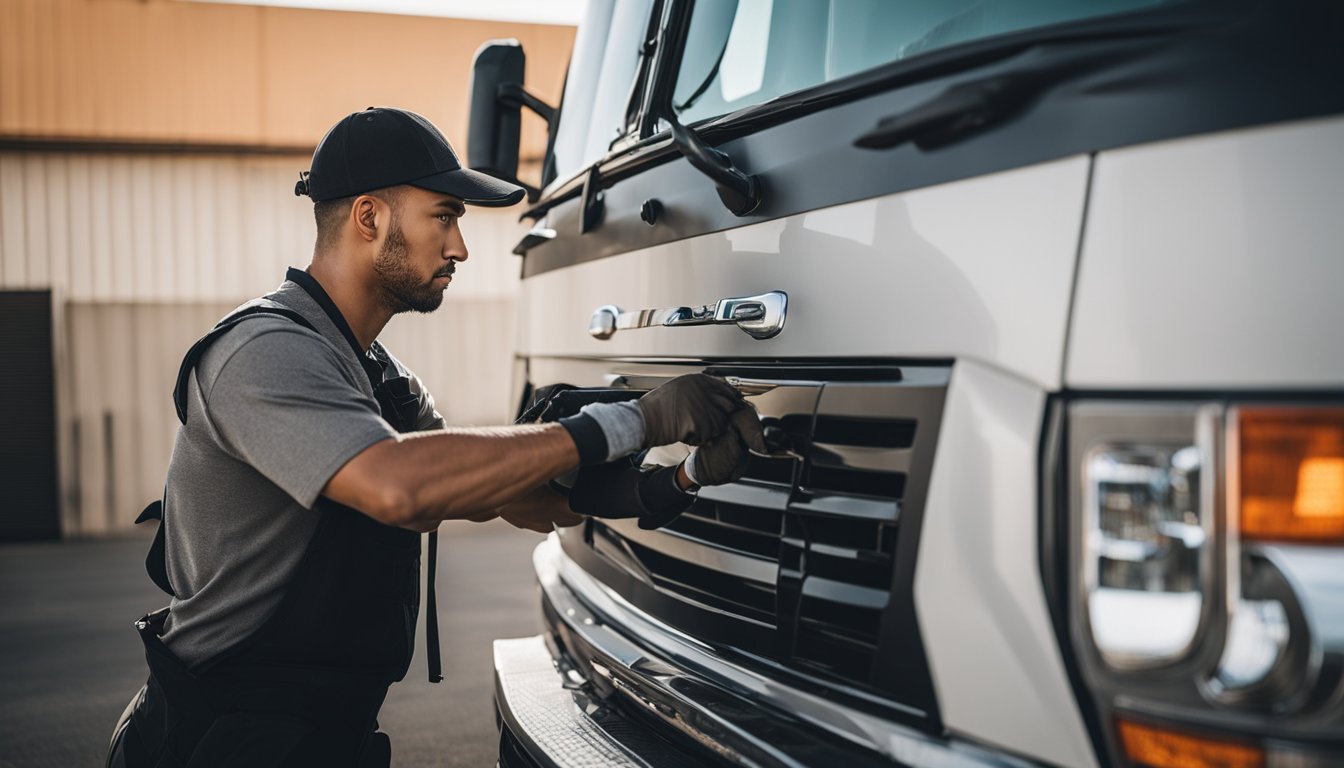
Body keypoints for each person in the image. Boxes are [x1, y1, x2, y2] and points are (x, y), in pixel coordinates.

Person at [106, 107, 764, 768]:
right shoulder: (262, 351)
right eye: (444, 216)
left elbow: (509, 498)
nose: (460, 247)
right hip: (215, 740)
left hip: (318, 737)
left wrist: (684, 478)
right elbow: (401, 486)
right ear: (369, 218)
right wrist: (637, 420)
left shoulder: (383, 380)